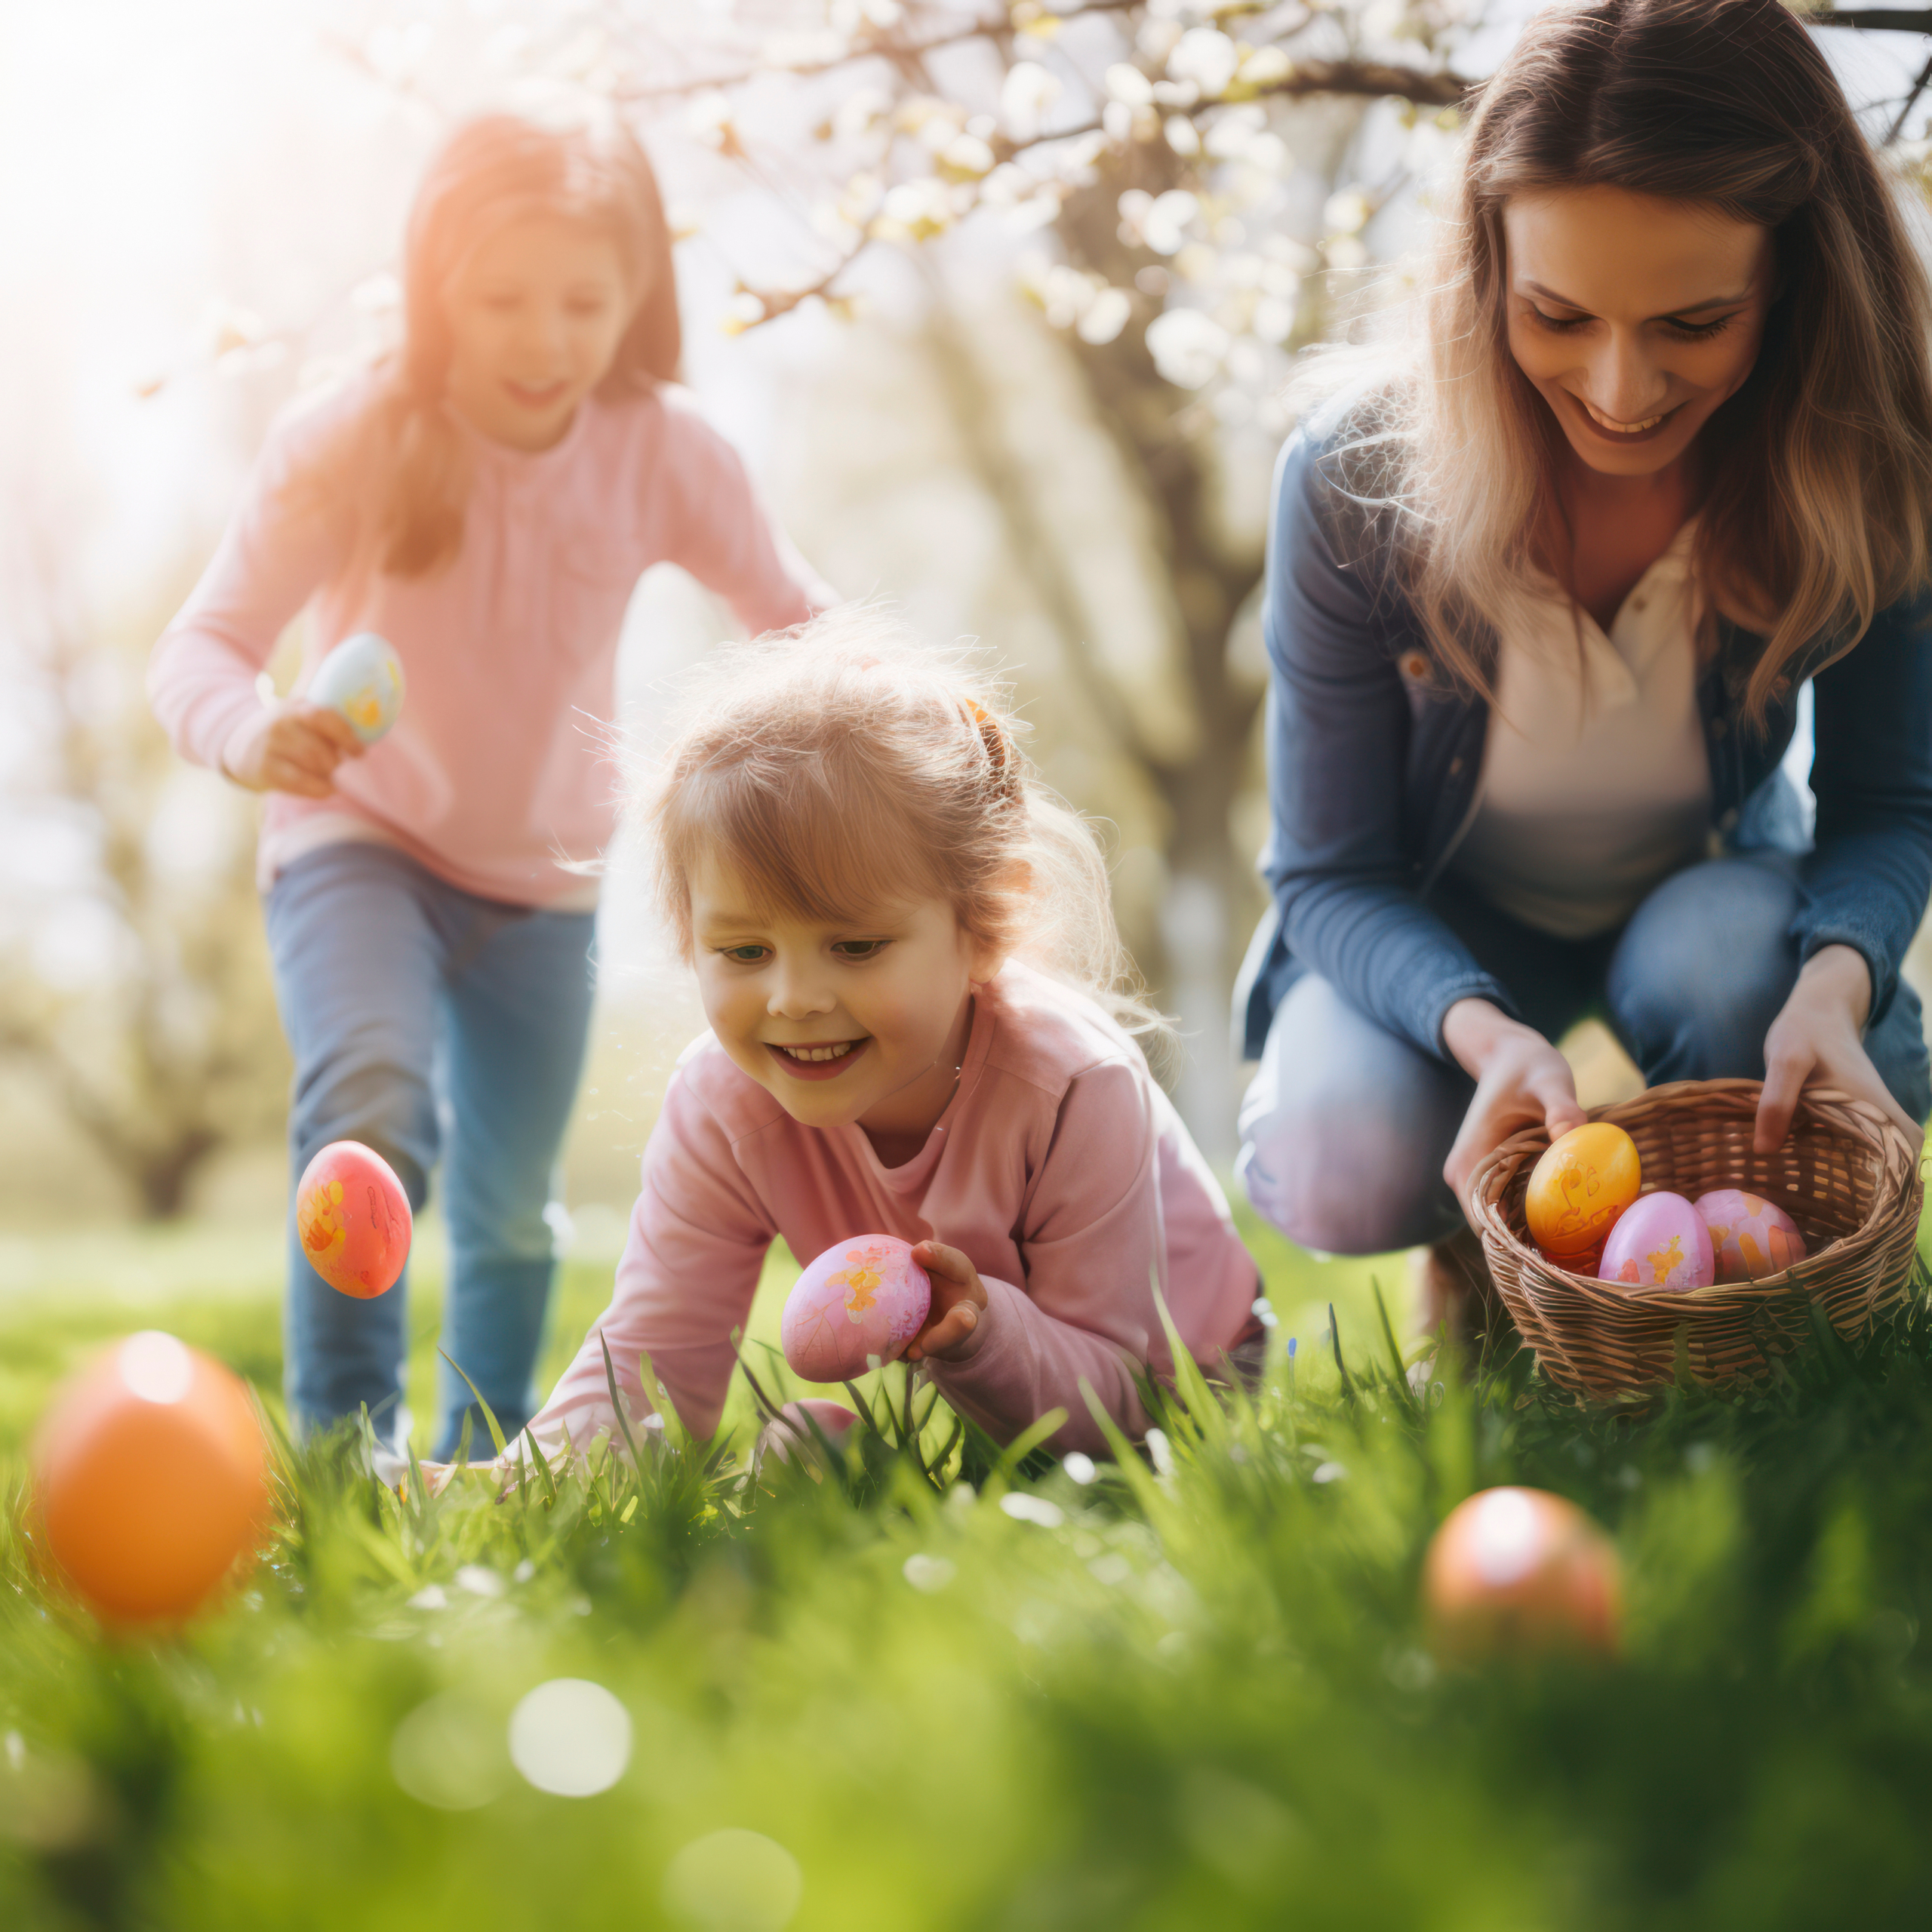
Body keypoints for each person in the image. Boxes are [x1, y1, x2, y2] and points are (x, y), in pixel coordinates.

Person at [1234, 0, 1932, 1329]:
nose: (1620, 391)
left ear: (1792, 287)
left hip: (1699, 899)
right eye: (1558, 315)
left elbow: (1889, 803)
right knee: (1342, 1158)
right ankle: (1484, 1226)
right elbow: (1331, 873)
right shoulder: (1355, 485)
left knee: (1735, 985)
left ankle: (1702, 1240)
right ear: (1487, 271)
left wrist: (1838, 978)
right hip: (1434, 930)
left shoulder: (1866, 466)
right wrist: (1482, 1033)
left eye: (1694, 323)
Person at [148, 113, 828, 1459]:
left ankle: (484, 1457)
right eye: (500, 298)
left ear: (640, 293)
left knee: (512, 1202)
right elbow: (201, 645)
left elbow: (794, 621)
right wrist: (252, 729)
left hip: (545, 881)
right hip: (361, 841)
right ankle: (347, 1454)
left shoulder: (668, 451)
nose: (544, 338)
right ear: (433, 288)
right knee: (370, 1107)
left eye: (585, 300)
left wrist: (911, 712)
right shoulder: (351, 436)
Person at [518, 616, 1262, 1456]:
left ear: (986, 924)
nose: (793, 999)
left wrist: (982, 1332)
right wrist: (513, 1484)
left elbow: (1117, 1398)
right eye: (743, 951)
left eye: (857, 945)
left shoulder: (1072, 1084)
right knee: (814, 1444)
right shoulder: (724, 1102)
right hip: (978, 1377)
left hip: (1178, 1382)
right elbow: (656, 1356)